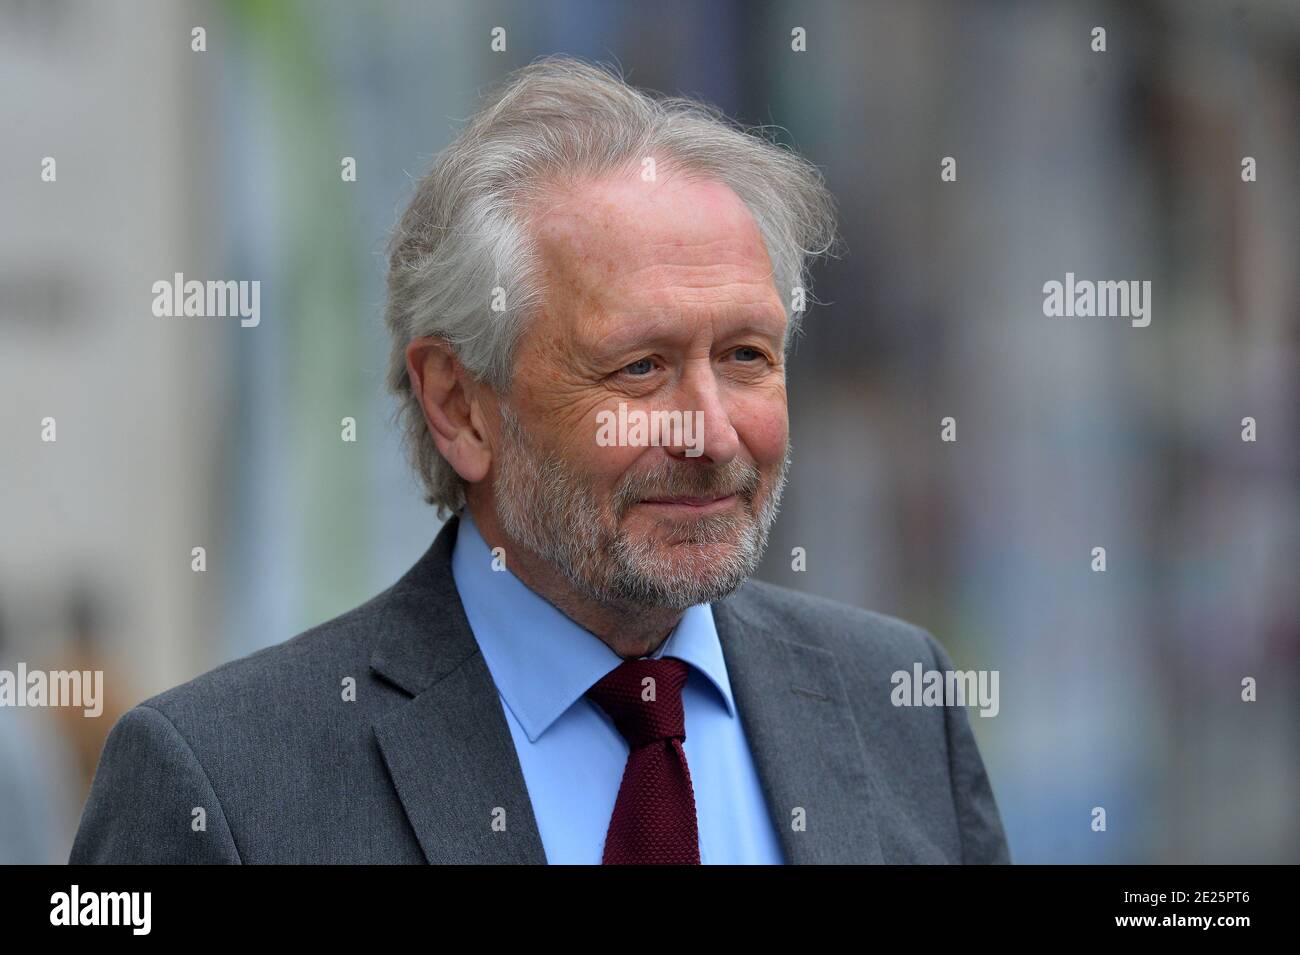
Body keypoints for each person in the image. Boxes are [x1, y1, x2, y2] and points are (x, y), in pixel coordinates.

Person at [71, 55, 1010, 864]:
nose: (713, 432)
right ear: (458, 403)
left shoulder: (895, 702)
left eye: (746, 358)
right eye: (639, 368)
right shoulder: (228, 785)